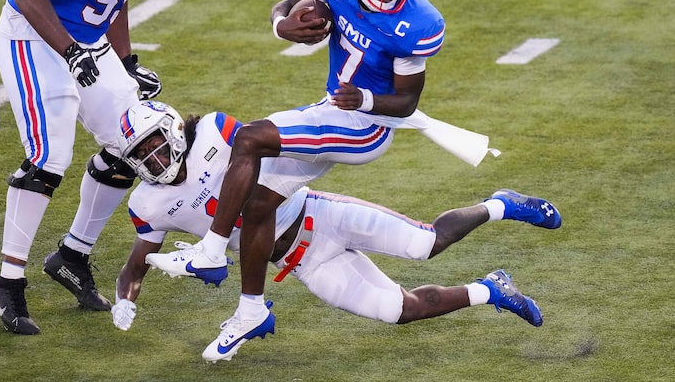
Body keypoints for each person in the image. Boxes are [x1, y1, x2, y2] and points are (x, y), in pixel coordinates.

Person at [146, 0, 452, 351]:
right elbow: (294, 0)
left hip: (366, 127)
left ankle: (211, 253)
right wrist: (281, 24)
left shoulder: (416, 23)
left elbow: (406, 101)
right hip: (332, 110)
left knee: (249, 138)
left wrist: (364, 100)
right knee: (257, 205)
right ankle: (251, 310)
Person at [111, 101, 561, 362]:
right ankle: (491, 289)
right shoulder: (147, 202)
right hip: (300, 262)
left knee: (426, 243)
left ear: (172, 130)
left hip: (317, 215)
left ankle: (500, 204)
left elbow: (261, 160)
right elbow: (135, 264)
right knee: (397, 311)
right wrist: (124, 299)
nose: (151, 159)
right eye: (140, 154)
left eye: (153, 145)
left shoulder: (213, 132)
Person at [0, 0, 188, 335]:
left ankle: (72, 254)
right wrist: (73, 53)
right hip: (32, 37)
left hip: (87, 41)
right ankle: (8, 282)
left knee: (144, 142)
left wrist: (127, 59)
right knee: (49, 157)